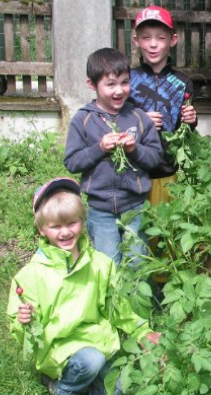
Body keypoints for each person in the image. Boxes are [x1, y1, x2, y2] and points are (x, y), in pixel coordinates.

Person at [7, 177, 160, 395]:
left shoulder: (100, 264)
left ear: (82, 220)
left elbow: (118, 307)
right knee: (91, 360)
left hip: (98, 342)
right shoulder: (32, 275)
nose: (65, 232)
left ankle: (86, 382)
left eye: (71, 223)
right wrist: (23, 321)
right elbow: (23, 329)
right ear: (42, 229)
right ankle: (62, 387)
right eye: (55, 226)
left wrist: (142, 331)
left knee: (119, 388)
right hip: (59, 348)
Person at [63, 47, 163, 264]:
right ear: (92, 84)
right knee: (108, 263)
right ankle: (111, 298)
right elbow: (72, 162)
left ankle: (138, 298)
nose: (119, 91)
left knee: (138, 262)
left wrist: (134, 149)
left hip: (135, 206)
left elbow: (155, 158)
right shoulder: (84, 120)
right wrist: (99, 148)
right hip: (101, 210)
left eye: (124, 82)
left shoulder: (139, 118)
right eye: (110, 84)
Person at [129, 5, 197, 205]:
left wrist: (192, 120)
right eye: (146, 37)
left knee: (163, 228)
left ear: (173, 40)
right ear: (136, 41)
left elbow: (187, 131)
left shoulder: (184, 82)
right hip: (133, 170)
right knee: (133, 227)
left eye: (160, 38)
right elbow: (115, 118)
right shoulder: (127, 79)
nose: (153, 44)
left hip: (166, 172)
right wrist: (140, 120)